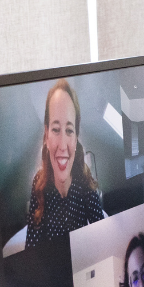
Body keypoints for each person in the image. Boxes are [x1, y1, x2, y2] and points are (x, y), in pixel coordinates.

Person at [25, 79, 105, 247]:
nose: (62, 145)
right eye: (55, 129)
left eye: (69, 130)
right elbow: (32, 247)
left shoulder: (85, 182)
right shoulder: (38, 183)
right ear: (47, 135)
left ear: (76, 139)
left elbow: (102, 240)